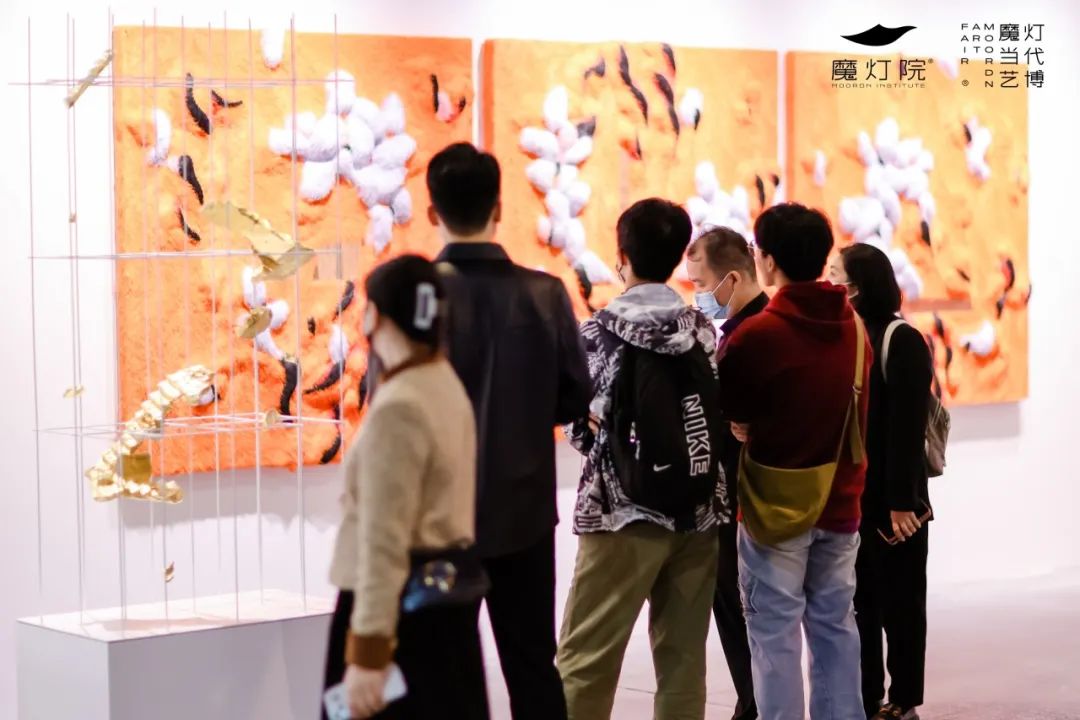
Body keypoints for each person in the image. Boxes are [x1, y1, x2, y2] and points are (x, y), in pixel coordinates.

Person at [425, 142, 592, 720]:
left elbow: (388, 405)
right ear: (499, 207)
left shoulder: (416, 296)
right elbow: (576, 395)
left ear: (432, 210)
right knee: (532, 665)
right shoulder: (544, 294)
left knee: (444, 672)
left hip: (436, 516)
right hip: (523, 510)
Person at [558, 198, 728, 720]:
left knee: (586, 660)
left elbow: (581, 429)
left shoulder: (595, 334)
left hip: (619, 514)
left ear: (623, 258)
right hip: (697, 511)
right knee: (683, 663)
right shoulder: (702, 330)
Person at [716, 203, 871, 720]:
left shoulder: (756, 336)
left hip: (772, 510)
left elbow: (735, 415)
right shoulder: (854, 328)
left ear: (767, 261)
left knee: (773, 636)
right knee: (836, 628)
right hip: (842, 502)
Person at [324, 254, 489, 720]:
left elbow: (384, 539)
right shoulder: (443, 383)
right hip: (443, 602)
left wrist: (368, 652)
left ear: (374, 316)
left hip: (398, 612)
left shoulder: (400, 404)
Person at [829, 244, 933, 720]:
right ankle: (867, 696)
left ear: (858, 286)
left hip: (896, 503)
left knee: (902, 604)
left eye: (836, 274)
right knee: (860, 604)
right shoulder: (847, 334)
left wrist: (901, 502)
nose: (829, 281)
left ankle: (904, 699)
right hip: (855, 497)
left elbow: (907, 430)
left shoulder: (901, 339)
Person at [686, 226, 769, 720]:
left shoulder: (751, 336)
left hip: (746, 494)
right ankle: (753, 699)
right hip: (739, 492)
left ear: (732, 278)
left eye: (701, 283)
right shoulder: (741, 330)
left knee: (741, 602)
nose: (698, 295)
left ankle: (755, 702)